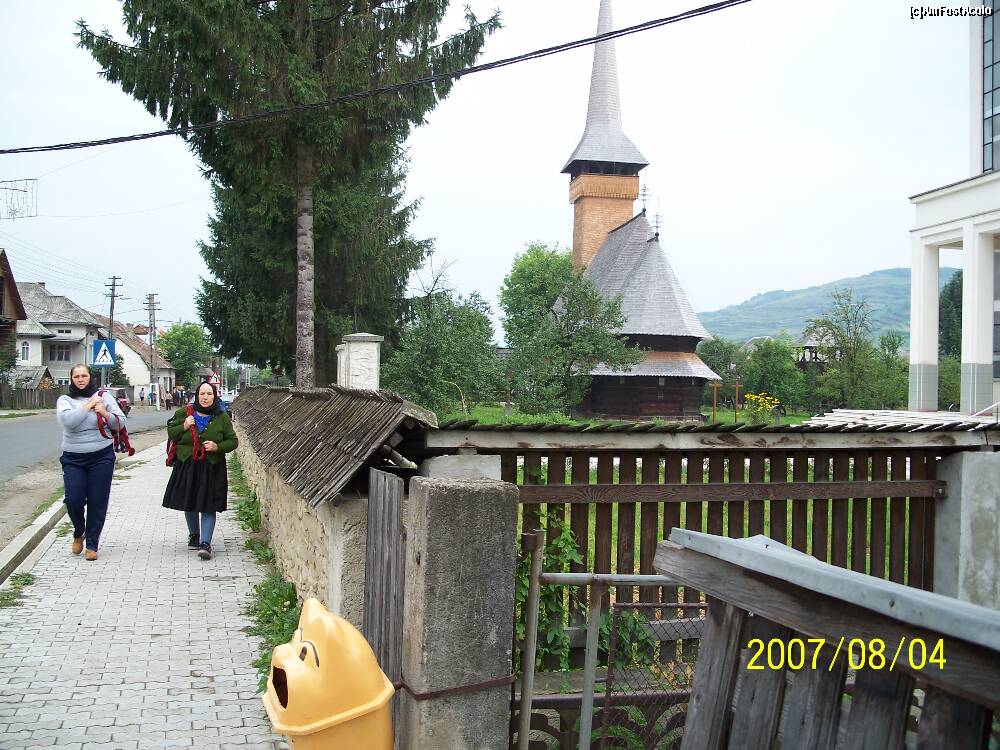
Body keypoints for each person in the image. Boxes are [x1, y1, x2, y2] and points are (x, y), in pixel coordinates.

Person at [56, 364, 127, 561]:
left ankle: (92, 544)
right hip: (73, 458)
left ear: (90, 377)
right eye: (76, 376)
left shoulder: (104, 396)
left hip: (101, 456)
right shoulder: (65, 400)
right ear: (71, 379)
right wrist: (88, 405)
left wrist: (104, 412)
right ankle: (79, 531)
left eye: (84, 376)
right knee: (74, 499)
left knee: (98, 501)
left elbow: (120, 422)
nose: (80, 379)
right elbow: (68, 422)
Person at [162, 382, 238, 560]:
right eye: (202, 393)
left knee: (208, 504)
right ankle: (194, 536)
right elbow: (171, 433)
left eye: (209, 394)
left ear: (214, 396)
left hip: (212, 466)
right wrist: (184, 426)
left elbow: (233, 441)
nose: (205, 397)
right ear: (197, 396)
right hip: (187, 464)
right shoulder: (184, 413)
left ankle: (205, 543)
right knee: (189, 501)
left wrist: (217, 446)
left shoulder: (222, 417)